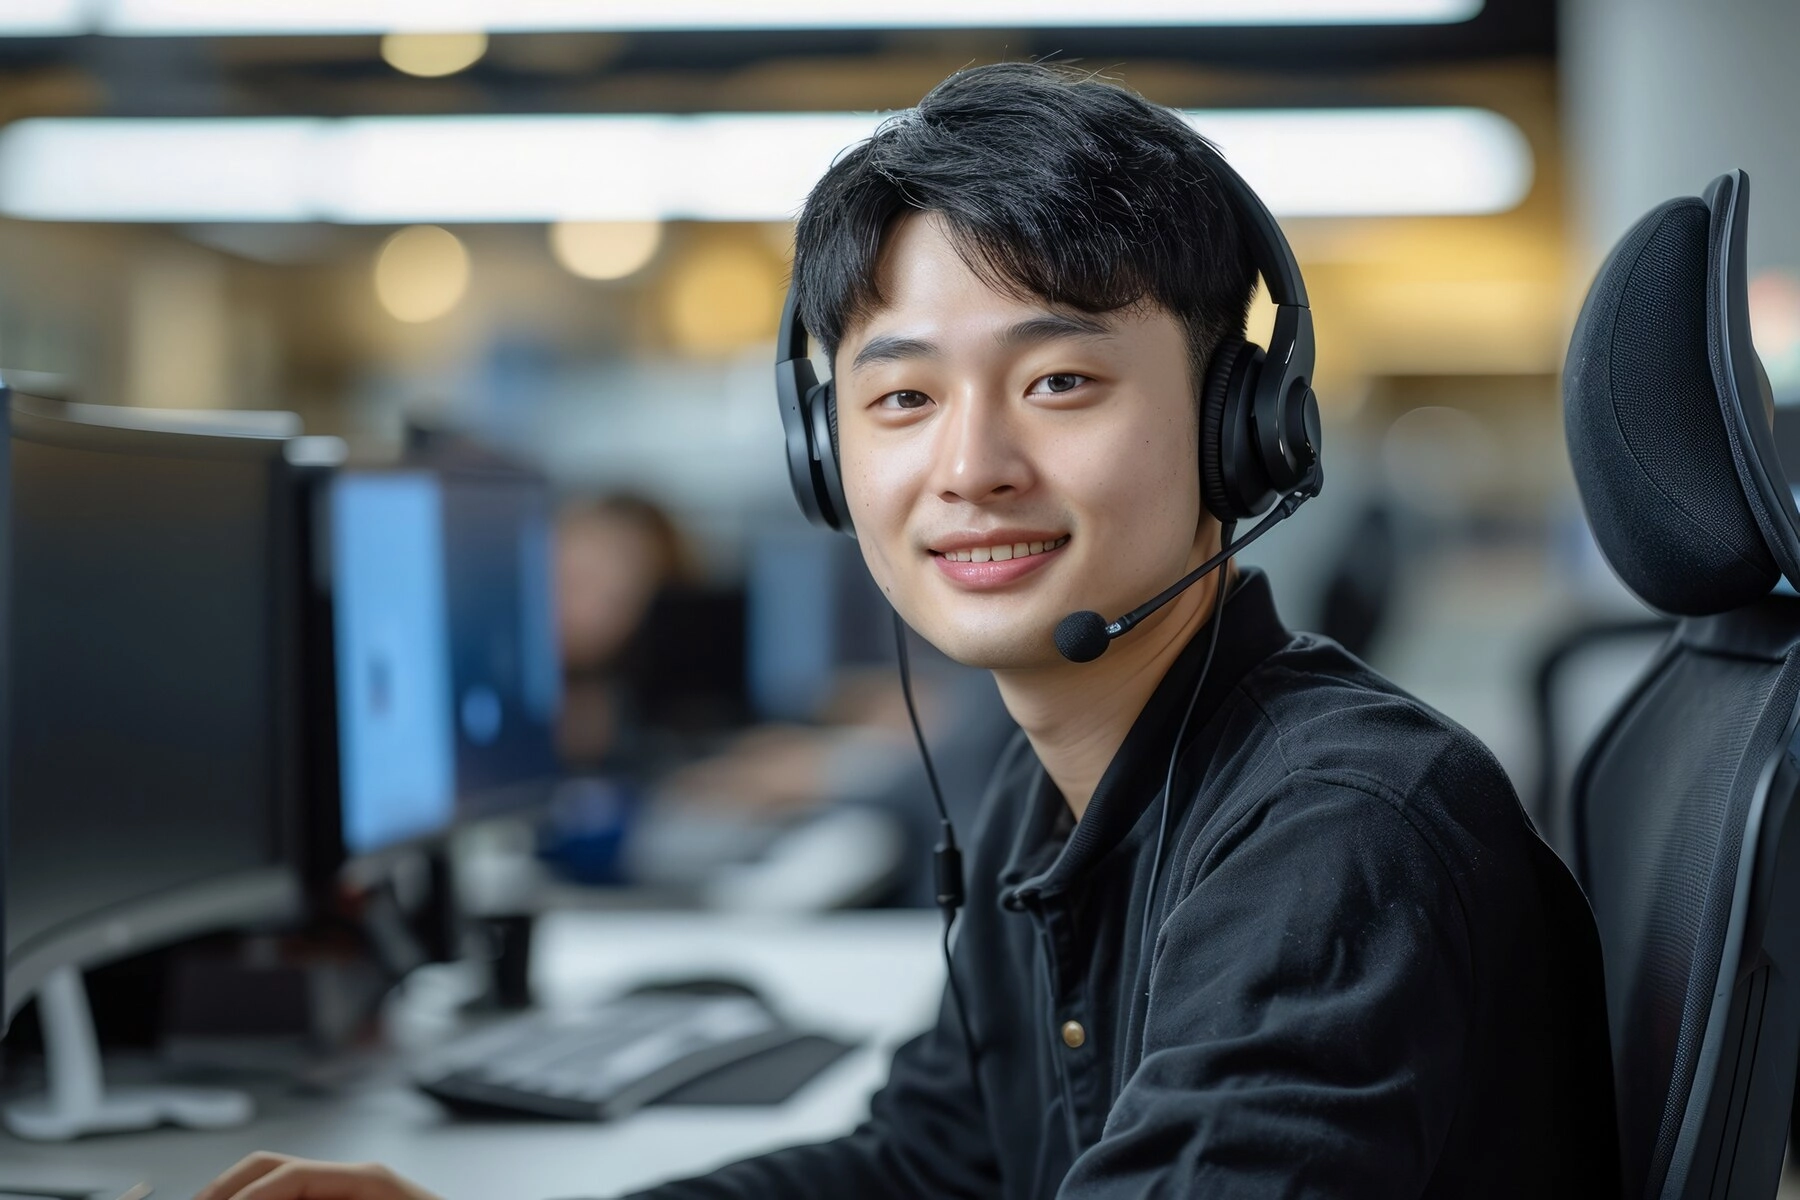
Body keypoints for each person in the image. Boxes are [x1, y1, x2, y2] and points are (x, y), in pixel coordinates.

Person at [197, 62, 1618, 1199]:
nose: (970, 465)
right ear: (829, 463)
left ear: (1237, 429)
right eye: (901, 399)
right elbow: (930, 1164)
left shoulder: (1339, 837)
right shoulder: (1042, 794)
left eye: (1060, 382)